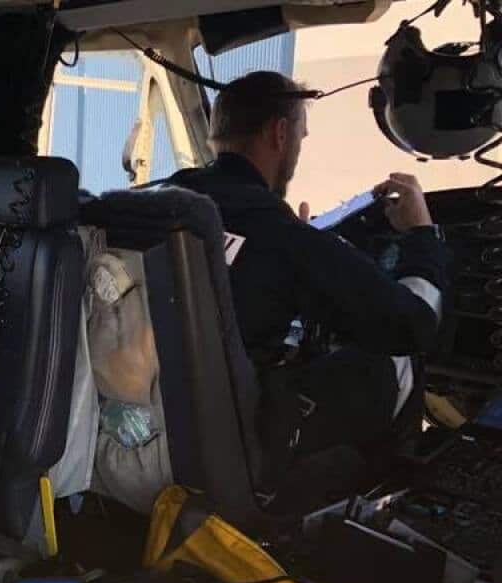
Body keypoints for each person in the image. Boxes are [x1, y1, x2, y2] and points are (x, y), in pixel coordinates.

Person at [162, 71, 450, 500]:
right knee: (398, 360)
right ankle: (380, 513)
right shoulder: (283, 236)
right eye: (301, 135)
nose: (298, 147)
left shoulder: (163, 197)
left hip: (156, 422)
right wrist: (422, 235)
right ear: (280, 133)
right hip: (238, 437)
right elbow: (413, 324)